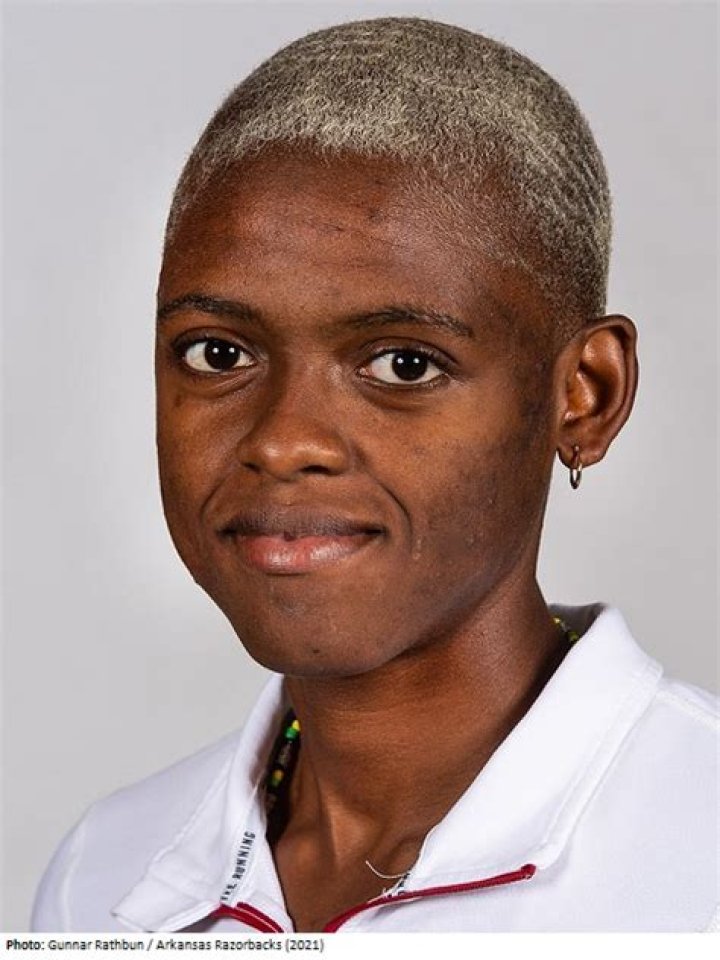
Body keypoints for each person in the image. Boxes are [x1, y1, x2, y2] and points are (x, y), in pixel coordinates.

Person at [32, 17, 718, 933]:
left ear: (584, 397)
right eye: (218, 352)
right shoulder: (104, 873)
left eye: (403, 364)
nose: (284, 442)